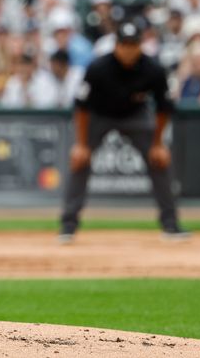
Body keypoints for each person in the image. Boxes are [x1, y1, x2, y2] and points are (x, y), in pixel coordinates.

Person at [59, 22, 189, 243]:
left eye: (133, 44)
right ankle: (68, 226)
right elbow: (81, 106)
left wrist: (158, 144)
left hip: (135, 116)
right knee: (79, 161)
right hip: (99, 116)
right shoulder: (98, 67)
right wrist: (81, 144)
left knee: (160, 161)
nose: (128, 49)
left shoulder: (153, 69)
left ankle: (171, 225)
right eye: (124, 44)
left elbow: (164, 108)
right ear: (116, 45)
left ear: (140, 45)